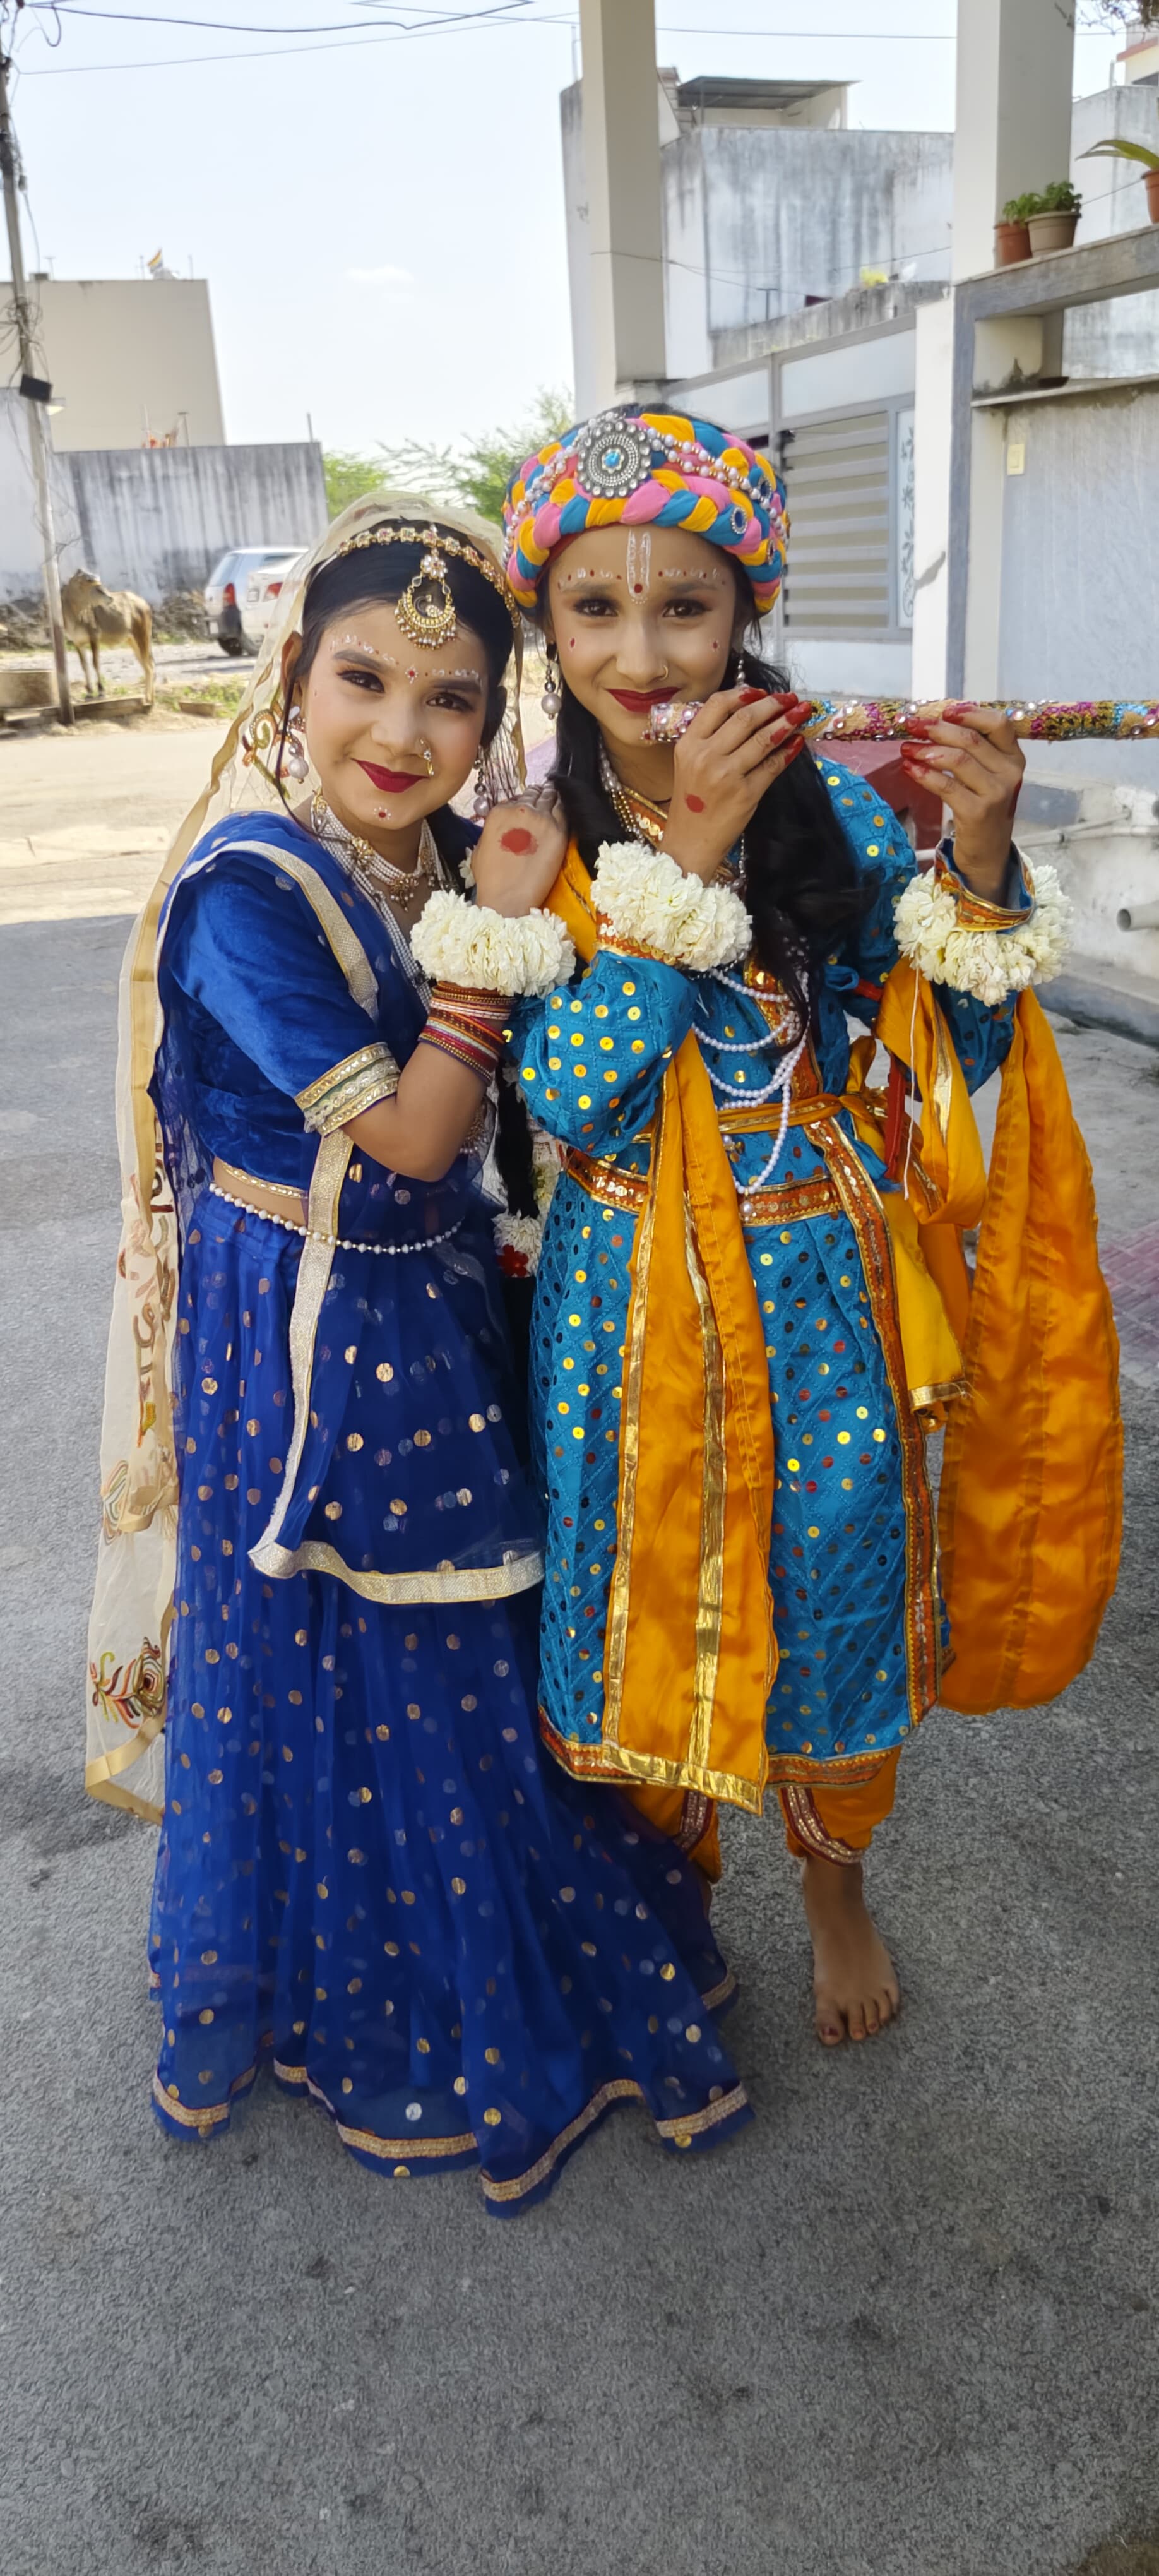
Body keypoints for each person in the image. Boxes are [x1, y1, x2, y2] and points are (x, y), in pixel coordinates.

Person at [85, 496, 752, 2211]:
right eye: (363, 680)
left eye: (450, 698)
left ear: (492, 714)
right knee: (337, 1650)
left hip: (435, 1298)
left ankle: (461, 1962)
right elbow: (406, 1134)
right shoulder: (249, 888)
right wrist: (496, 947)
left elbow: (539, 1102)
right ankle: (360, 1994)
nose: (401, 732)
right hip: (300, 1329)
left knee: (457, 1651)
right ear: (289, 679)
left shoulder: (450, 858)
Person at [497, 408, 1122, 2047]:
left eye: (684, 607)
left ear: (744, 616)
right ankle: (668, 1891)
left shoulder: (828, 805)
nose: (643, 654)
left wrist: (974, 855)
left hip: (826, 1296)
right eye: (596, 608)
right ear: (547, 626)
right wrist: (685, 868)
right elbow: (565, 1102)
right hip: (625, 1307)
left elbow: (941, 1048)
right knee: (639, 1592)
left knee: (835, 1589)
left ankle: (835, 1883)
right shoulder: (526, 841)